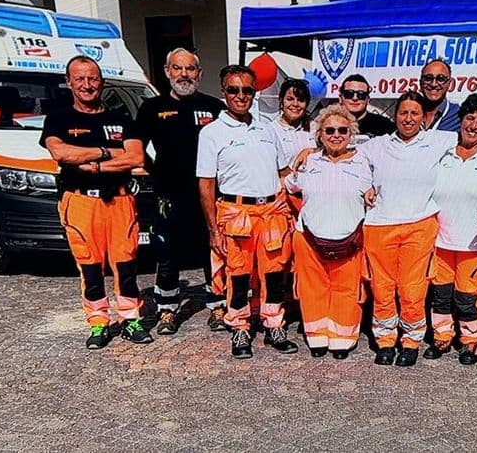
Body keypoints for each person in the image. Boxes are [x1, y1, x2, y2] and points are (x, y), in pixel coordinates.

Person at [40, 55, 151, 348]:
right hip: (79, 204)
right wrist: (106, 151)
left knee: (126, 264)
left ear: (101, 81)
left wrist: (94, 162)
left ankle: (130, 319)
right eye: (80, 79)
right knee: (89, 266)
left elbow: (137, 157)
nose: (87, 85)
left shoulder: (121, 118)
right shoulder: (59, 118)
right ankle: (99, 322)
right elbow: (61, 154)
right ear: (69, 82)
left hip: (120, 201)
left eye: (93, 78)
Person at [197, 64, 298, 359]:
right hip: (236, 214)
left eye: (247, 90)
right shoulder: (212, 133)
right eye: (233, 90)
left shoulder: (267, 128)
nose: (241, 96)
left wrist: (310, 161)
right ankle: (240, 327)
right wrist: (213, 230)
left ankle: (273, 325)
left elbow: (283, 173)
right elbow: (206, 185)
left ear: (255, 92)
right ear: (223, 92)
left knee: (273, 274)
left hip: (271, 213)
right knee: (238, 275)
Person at [361, 91, 457, 367]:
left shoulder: (439, 140)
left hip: (419, 225)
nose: (408, 118)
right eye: (403, 112)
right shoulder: (376, 145)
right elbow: (349, 158)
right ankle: (385, 340)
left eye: (415, 113)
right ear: (395, 115)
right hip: (380, 226)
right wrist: (365, 184)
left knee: (412, 289)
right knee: (382, 288)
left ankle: (412, 339)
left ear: (424, 117)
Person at [136, 47, 225, 336]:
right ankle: (167, 309)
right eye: (178, 68)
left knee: (212, 252)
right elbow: (137, 151)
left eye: (190, 69)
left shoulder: (215, 108)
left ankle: (218, 305)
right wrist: (156, 171)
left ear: (200, 73)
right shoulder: (151, 108)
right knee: (167, 254)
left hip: (209, 196)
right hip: (169, 196)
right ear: (167, 71)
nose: (184, 75)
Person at [424, 93, 477, 365]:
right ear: (460, 120)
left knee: (467, 295)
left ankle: (470, 341)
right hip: (440, 238)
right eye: (470, 118)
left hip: (475, 240)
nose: (474, 125)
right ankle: (442, 335)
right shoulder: (443, 149)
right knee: (441, 293)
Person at [285, 104, 372, 359]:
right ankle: (317, 337)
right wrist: (304, 154)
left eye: (342, 130)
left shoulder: (364, 162)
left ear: (351, 133)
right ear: (320, 134)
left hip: (349, 241)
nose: (336, 135)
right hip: (309, 240)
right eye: (329, 130)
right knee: (313, 289)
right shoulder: (308, 161)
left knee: (346, 290)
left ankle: (342, 339)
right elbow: (288, 186)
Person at [338, 73, 395, 141]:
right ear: (340, 98)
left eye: (361, 95)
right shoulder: (329, 123)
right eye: (349, 94)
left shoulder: (384, 125)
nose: (355, 98)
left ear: (368, 100)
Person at [419, 58, 460, 132]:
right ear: (420, 82)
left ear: (449, 83)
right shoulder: (410, 113)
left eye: (441, 79)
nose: (433, 84)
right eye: (428, 78)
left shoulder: (459, 115)